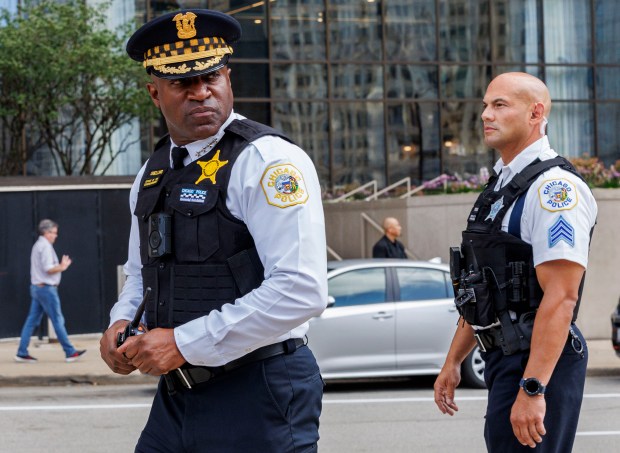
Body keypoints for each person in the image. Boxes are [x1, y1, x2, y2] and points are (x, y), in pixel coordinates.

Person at [99, 9, 327, 453]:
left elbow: (302, 288)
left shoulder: (266, 161)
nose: (201, 93)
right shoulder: (153, 171)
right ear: (154, 92)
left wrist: (183, 342)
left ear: (228, 78)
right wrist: (122, 322)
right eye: (183, 84)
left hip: (258, 389)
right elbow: (141, 273)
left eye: (212, 78)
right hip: (178, 394)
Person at [433, 72, 597, 452]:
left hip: (537, 362)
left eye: (500, 105)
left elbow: (561, 297)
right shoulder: (501, 187)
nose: (486, 115)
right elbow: (482, 289)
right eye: (485, 106)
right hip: (504, 359)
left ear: (535, 112)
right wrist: (453, 361)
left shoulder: (556, 189)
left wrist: (533, 387)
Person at [15, 219, 86, 363]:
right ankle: (70, 352)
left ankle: (22, 352)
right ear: (46, 232)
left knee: (31, 321)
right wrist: (62, 266)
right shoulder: (45, 246)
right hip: (46, 289)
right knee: (57, 320)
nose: (55, 236)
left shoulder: (38, 245)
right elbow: (48, 268)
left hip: (37, 288)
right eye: (53, 233)